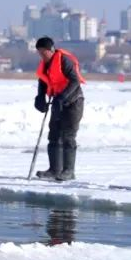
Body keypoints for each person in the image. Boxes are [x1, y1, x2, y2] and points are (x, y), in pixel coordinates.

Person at [33, 37, 85, 181]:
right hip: (57, 102)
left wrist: (62, 97)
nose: (41, 56)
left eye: (43, 52)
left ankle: (69, 171)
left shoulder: (64, 61)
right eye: (39, 53)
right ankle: (54, 170)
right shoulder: (45, 64)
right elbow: (42, 81)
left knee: (68, 136)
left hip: (73, 102)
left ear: (51, 50)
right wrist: (40, 97)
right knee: (54, 135)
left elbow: (75, 81)